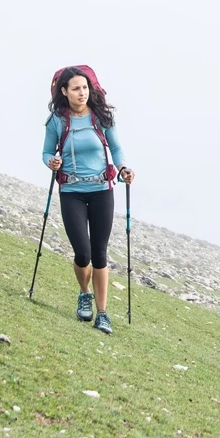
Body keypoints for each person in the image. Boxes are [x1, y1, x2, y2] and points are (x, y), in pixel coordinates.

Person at [43, 66, 134, 334]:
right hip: (71, 191)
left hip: (102, 190)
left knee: (99, 253)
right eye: (75, 89)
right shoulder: (57, 121)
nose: (82, 93)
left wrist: (123, 169)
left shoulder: (101, 117)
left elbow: (116, 147)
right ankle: (84, 293)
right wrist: (52, 161)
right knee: (82, 253)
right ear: (64, 92)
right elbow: (47, 151)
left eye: (85, 87)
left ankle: (103, 313)